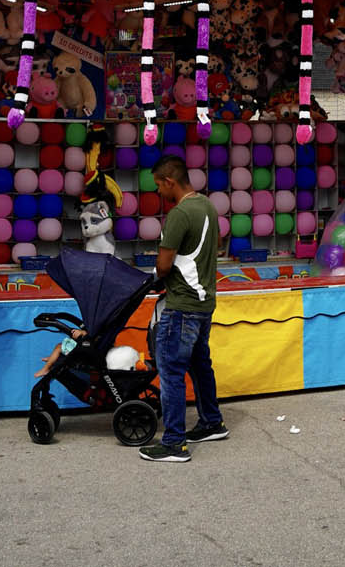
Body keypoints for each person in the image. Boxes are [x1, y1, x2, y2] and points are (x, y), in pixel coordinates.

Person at [140, 155, 225, 463]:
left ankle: (174, 442)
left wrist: (152, 275)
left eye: (159, 186)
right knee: (201, 364)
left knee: (172, 371)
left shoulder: (178, 215)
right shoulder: (207, 206)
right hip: (204, 304)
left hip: (181, 305)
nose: (158, 192)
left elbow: (163, 266)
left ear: (169, 181)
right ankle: (212, 421)